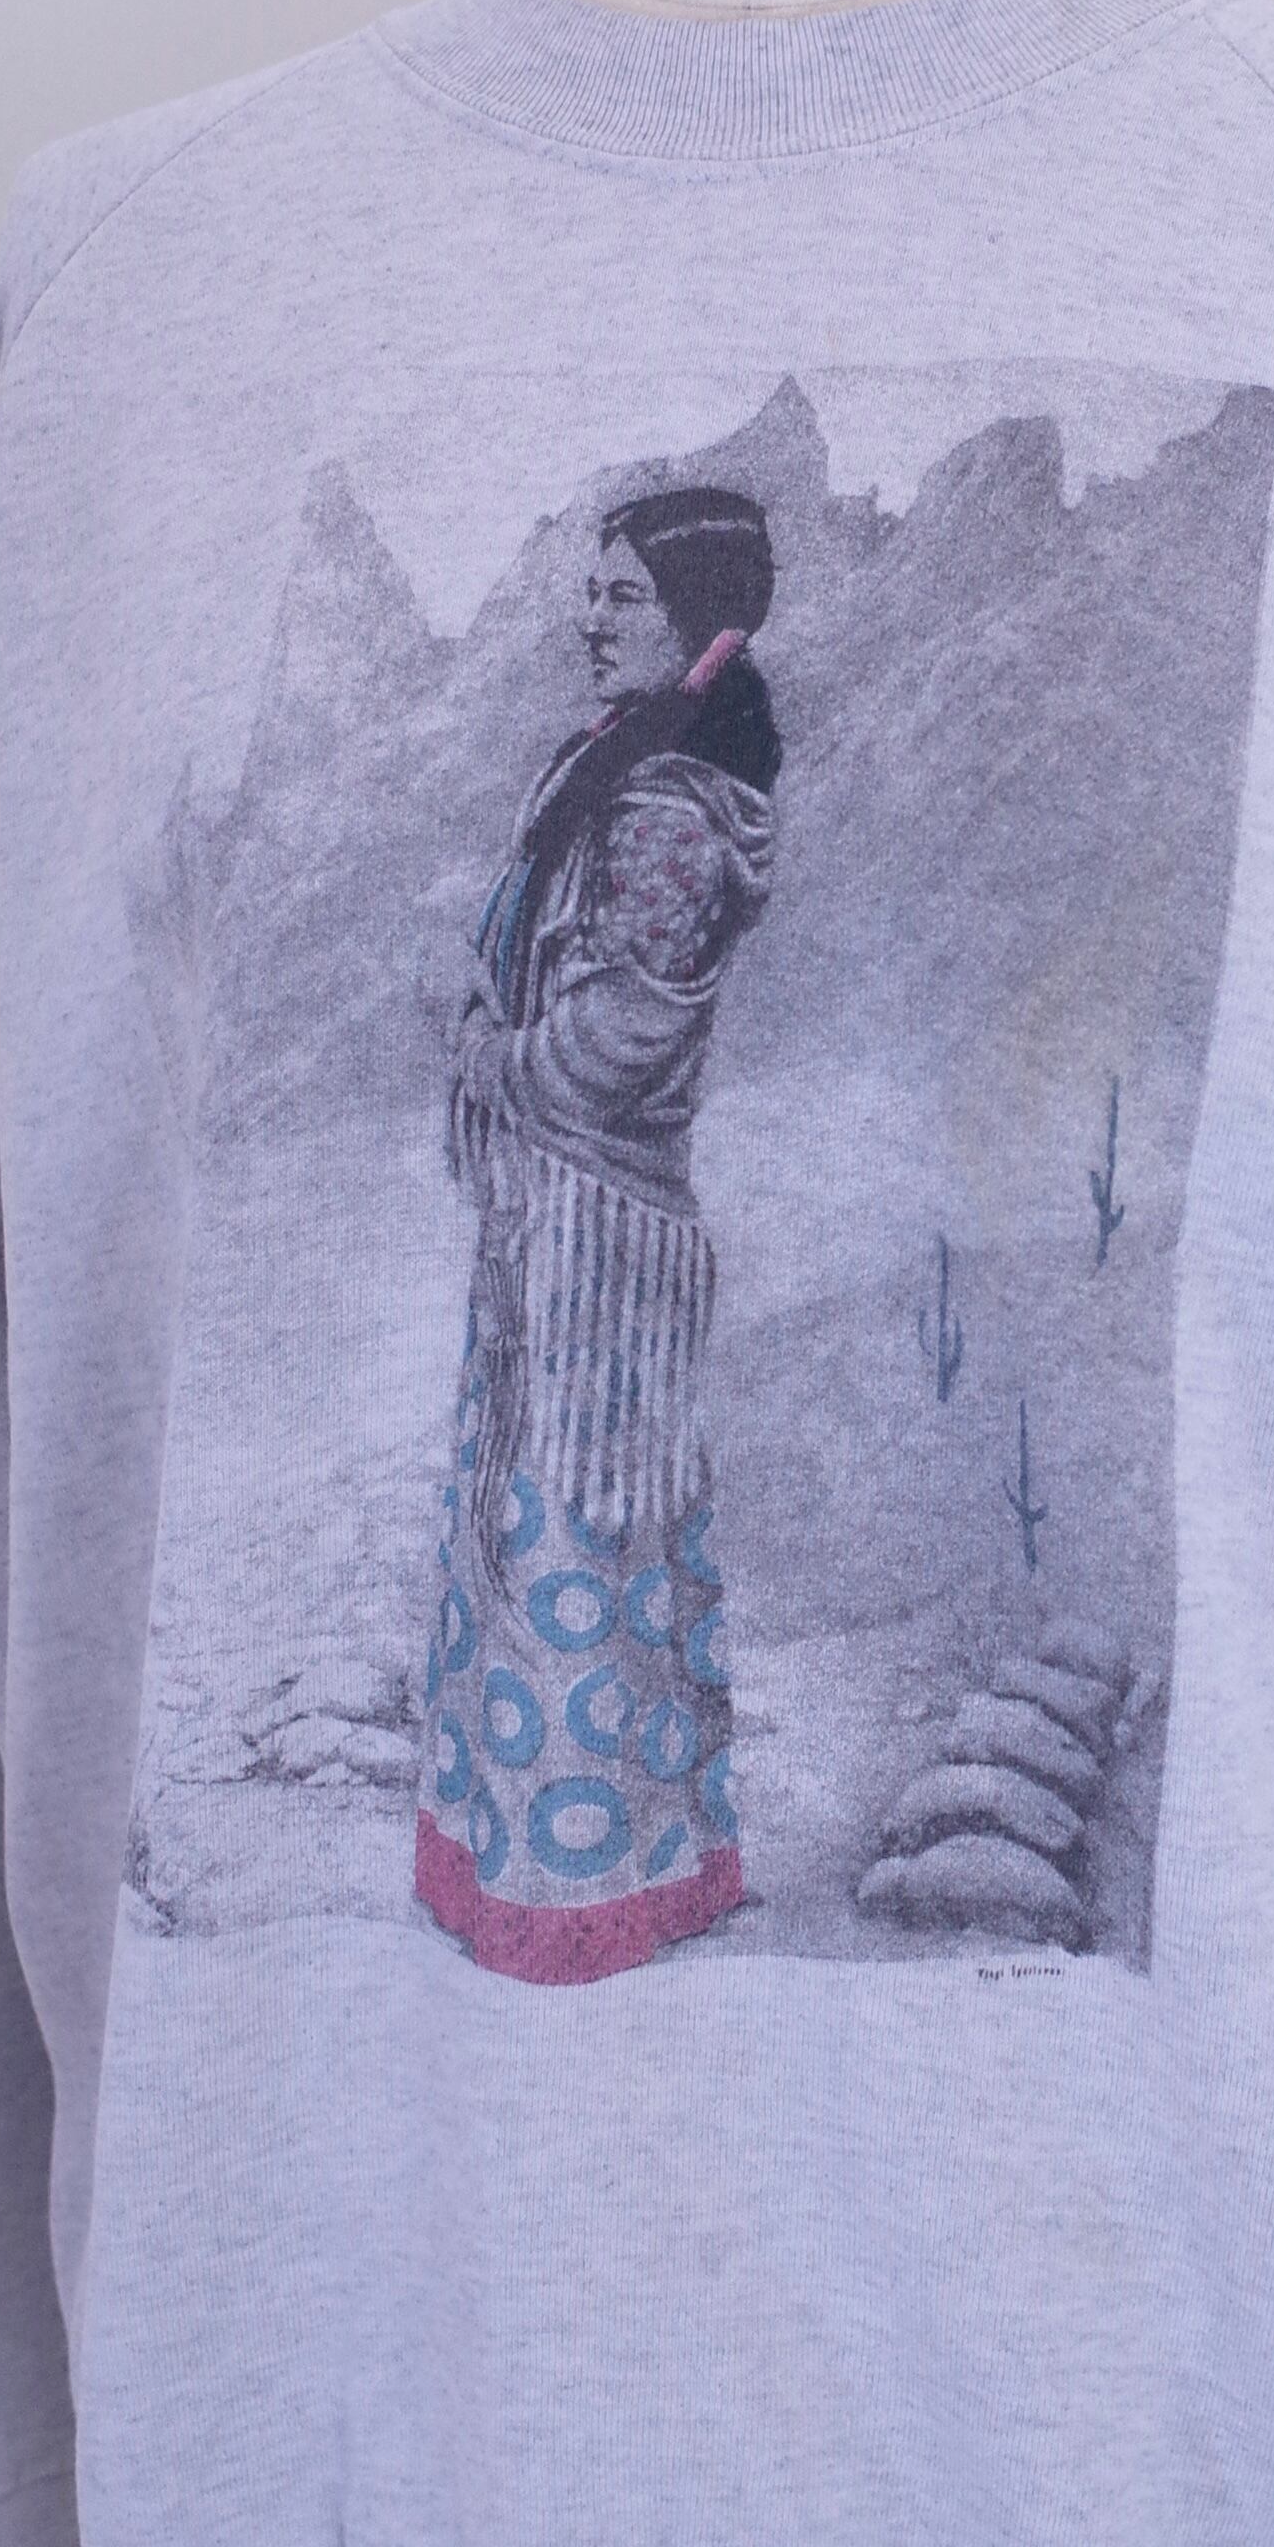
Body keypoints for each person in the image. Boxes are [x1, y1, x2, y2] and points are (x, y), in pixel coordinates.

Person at [412, 481, 784, 1981]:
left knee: (580, 1544)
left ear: (701, 623)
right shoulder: (620, 767)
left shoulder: (674, 810)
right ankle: (534, 1869)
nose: (591, 618)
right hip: (548, 1218)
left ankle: (593, 1894)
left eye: (622, 596)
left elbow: (621, 1034)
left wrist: (492, 1057)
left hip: (601, 1240)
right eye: (592, 590)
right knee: (535, 1541)